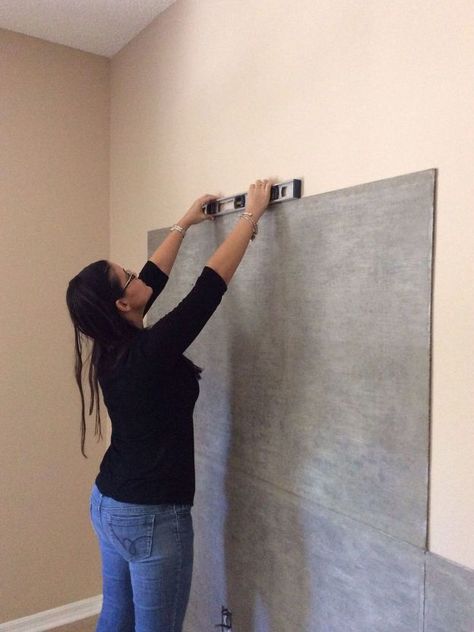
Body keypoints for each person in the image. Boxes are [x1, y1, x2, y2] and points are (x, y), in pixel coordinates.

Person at [65, 179, 272, 632]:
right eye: (129, 277)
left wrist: (184, 222)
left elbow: (151, 279)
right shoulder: (149, 351)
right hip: (151, 517)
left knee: (116, 619)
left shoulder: (109, 343)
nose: (141, 276)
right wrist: (251, 215)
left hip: (109, 503)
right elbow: (207, 291)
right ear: (122, 301)